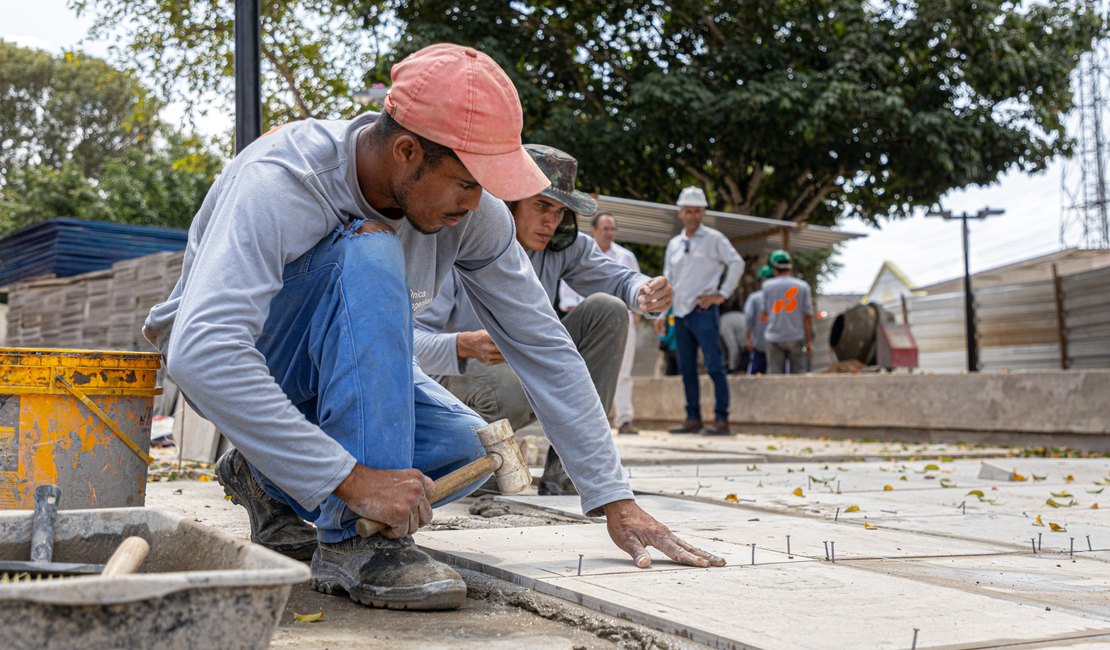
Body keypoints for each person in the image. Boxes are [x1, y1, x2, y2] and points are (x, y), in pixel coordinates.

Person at [145, 44, 724, 613]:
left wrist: (612, 496)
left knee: (470, 450)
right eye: (466, 184)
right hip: (267, 359)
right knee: (370, 249)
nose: (475, 205)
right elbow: (203, 351)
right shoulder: (284, 179)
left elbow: (544, 346)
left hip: (334, 379)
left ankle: (265, 474)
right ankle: (362, 543)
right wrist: (350, 478)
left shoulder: (475, 216)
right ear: (404, 151)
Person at [414, 146, 666, 495]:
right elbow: (405, 341)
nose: (552, 222)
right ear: (510, 200)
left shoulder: (562, 245)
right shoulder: (455, 237)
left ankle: (569, 475)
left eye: (561, 211)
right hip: (457, 384)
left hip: (522, 375)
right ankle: (473, 465)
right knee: (511, 380)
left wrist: (645, 292)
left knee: (607, 309)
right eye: (542, 206)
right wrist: (462, 345)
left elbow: (621, 280)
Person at [655, 187, 744, 435]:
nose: (693, 216)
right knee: (686, 368)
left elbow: (737, 262)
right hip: (680, 313)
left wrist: (721, 294)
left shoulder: (715, 239)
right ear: (681, 213)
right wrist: (661, 315)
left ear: (703, 212)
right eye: (689, 211)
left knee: (715, 366)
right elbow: (668, 280)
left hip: (702, 310)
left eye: (697, 211)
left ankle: (721, 420)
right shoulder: (674, 244)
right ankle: (692, 418)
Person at [558, 213, 642, 434]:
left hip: (622, 319)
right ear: (594, 230)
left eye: (613, 229)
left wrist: (640, 308)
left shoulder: (626, 256)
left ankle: (624, 419)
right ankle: (585, 420)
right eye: (605, 228)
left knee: (623, 370)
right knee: (582, 372)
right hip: (586, 324)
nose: (610, 233)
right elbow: (566, 294)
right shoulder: (577, 251)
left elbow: (634, 284)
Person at [762, 249, 814, 374]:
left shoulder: (767, 286)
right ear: (790, 268)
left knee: (775, 376)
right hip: (796, 337)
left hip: (774, 338)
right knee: (798, 376)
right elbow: (807, 316)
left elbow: (765, 314)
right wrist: (809, 341)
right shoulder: (803, 286)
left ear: (774, 268)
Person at [744, 265, 773, 375]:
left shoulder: (754, 298)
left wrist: (748, 338)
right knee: (781, 374)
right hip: (779, 342)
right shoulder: (782, 296)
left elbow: (748, 317)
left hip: (760, 343)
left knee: (755, 374)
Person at [718, 287, 748, 374]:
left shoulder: (723, 323)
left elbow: (733, 348)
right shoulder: (732, 316)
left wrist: (731, 369)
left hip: (746, 349)